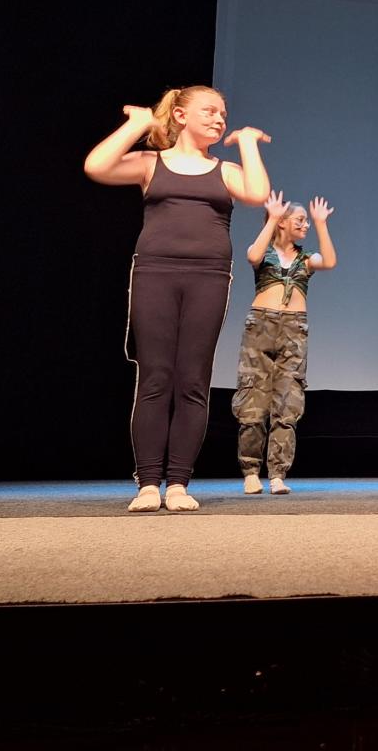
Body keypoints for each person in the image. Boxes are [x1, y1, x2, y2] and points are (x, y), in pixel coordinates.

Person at [83, 86, 270, 512]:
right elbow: (96, 166)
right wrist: (137, 125)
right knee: (155, 377)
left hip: (209, 278)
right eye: (210, 111)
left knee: (193, 380)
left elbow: (257, 193)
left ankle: (180, 483)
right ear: (181, 116)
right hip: (155, 274)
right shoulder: (152, 163)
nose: (219, 119)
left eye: (223, 114)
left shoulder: (224, 170)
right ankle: (149, 483)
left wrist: (246, 143)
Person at [233, 190, 337, 495]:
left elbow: (329, 261)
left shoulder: (306, 259)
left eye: (306, 221)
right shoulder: (263, 252)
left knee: (288, 403)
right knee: (253, 400)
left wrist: (321, 223)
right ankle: (251, 471)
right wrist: (272, 219)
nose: (305, 225)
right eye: (300, 220)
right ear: (281, 222)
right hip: (261, 326)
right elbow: (252, 256)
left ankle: (277, 473)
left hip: (294, 329)